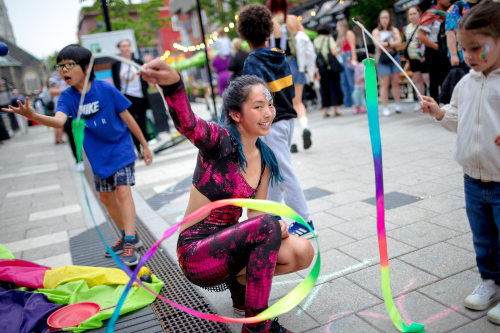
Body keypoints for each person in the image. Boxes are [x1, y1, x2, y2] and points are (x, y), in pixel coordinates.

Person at [140, 58, 314, 333]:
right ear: (236, 114)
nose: (268, 112)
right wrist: (174, 85)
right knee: (269, 227)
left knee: (303, 251)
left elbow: (256, 217)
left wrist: (275, 227)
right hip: (196, 253)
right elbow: (187, 124)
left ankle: (240, 288)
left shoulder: (265, 160)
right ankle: (257, 327)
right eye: (258, 107)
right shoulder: (219, 142)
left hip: (230, 247)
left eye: (269, 104)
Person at [2, 44, 152, 266]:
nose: (63, 71)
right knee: (106, 198)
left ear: (85, 67)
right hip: (98, 157)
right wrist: (34, 114)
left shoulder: (106, 89)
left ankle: (130, 241)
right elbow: (58, 121)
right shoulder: (67, 97)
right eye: (60, 66)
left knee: (123, 191)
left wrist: (144, 144)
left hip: (120, 148)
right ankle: (126, 234)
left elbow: (128, 117)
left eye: (68, 65)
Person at [419, 0, 500, 324]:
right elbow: (456, 117)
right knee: (482, 237)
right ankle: (490, 281)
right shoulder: (465, 83)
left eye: (476, 48)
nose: (468, 55)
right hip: (471, 178)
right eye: (464, 48)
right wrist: (440, 112)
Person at [238, 4, 316, 239]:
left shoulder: (251, 63)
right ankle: (273, 218)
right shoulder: (279, 56)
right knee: (271, 169)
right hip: (286, 118)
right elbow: (290, 91)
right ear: (269, 30)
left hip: (270, 123)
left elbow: (255, 99)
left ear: (242, 35)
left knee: (281, 169)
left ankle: (305, 220)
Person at [267, 0, 312, 151]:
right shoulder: (293, 20)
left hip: (278, 66)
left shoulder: (269, 22)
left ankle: (291, 142)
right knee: (298, 101)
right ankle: (305, 127)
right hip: (296, 63)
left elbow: (266, 47)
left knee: (282, 105)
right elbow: (306, 42)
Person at [112, 39, 151, 159]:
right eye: (123, 46)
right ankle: (138, 149)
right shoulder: (116, 65)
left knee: (142, 123)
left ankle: (146, 148)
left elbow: (145, 78)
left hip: (139, 96)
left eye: (128, 45)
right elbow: (116, 83)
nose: (126, 48)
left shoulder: (138, 62)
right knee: (131, 124)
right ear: (120, 49)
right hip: (126, 99)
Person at [418, 0, 452, 102]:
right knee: (434, 79)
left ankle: (446, 104)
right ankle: (434, 104)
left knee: (446, 78)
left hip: (446, 50)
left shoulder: (450, 13)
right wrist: (436, 47)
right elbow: (421, 36)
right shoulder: (430, 14)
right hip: (434, 51)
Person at [373, 10, 403, 117]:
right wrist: (390, 44)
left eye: (386, 17)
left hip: (394, 58)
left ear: (389, 19)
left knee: (396, 82)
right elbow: (378, 45)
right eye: (382, 18)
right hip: (383, 60)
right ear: (380, 20)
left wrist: (387, 44)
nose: (385, 20)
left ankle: (398, 104)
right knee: (384, 84)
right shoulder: (376, 31)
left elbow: (399, 42)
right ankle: (385, 106)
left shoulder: (394, 30)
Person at [313, 24, 343, 117]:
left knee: (324, 88)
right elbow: (334, 52)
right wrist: (339, 48)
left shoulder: (315, 40)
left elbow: (314, 56)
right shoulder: (328, 39)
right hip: (330, 67)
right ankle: (335, 110)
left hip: (321, 68)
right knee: (333, 87)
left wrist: (316, 69)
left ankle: (325, 111)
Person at [446, 0, 482, 71]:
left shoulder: (487, 4)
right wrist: (454, 55)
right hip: (463, 55)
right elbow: (450, 33)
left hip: (484, 51)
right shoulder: (456, 7)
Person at [405, 6, 430, 107]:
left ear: (419, 13)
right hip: (412, 57)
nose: (412, 16)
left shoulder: (423, 25)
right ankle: (421, 102)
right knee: (417, 79)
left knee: (427, 78)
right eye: (410, 14)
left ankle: (432, 99)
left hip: (423, 56)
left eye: (414, 13)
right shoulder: (407, 28)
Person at [336, 17, 358, 108]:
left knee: (351, 80)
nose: (336, 28)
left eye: (337, 26)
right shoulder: (340, 36)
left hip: (348, 56)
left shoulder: (349, 33)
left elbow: (353, 46)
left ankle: (355, 102)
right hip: (342, 57)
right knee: (344, 81)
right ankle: (347, 102)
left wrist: (354, 58)